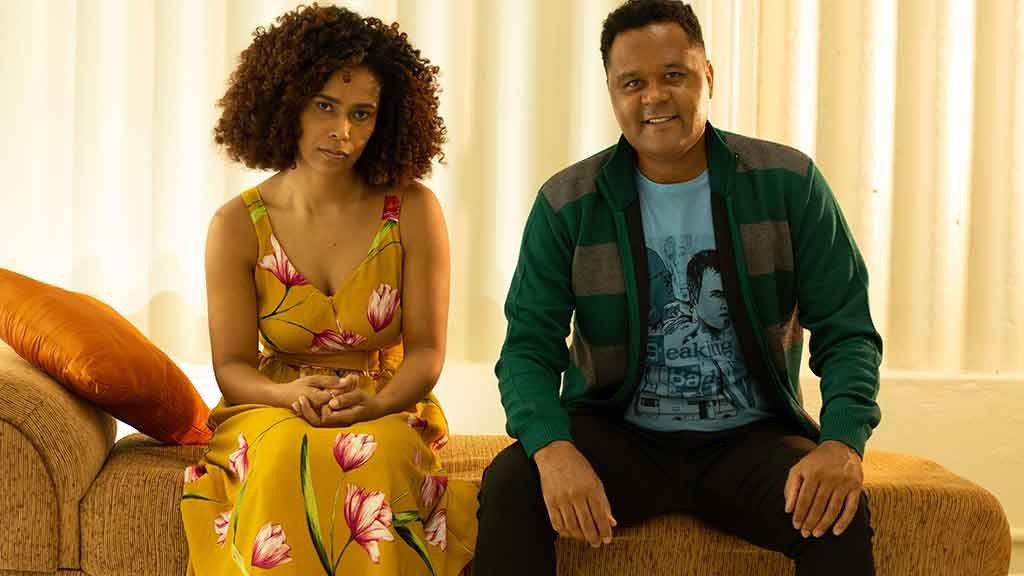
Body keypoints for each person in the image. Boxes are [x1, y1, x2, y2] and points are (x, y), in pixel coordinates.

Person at [473, 1, 882, 574]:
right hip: (619, 434)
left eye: (673, 75)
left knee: (837, 514)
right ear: (612, 93)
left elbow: (848, 330)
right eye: (632, 83)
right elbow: (526, 351)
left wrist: (841, 442)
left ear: (707, 76)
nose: (654, 97)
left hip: (750, 438)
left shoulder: (788, 184)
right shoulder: (568, 203)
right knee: (512, 484)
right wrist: (551, 447)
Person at [180, 5, 475, 575]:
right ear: (287, 101)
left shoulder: (414, 211)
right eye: (325, 106)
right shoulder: (236, 225)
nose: (343, 132)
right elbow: (232, 366)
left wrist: (381, 403)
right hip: (272, 401)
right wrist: (287, 396)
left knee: (378, 454)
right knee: (281, 454)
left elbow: (426, 352)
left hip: (386, 397)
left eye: (362, 114)